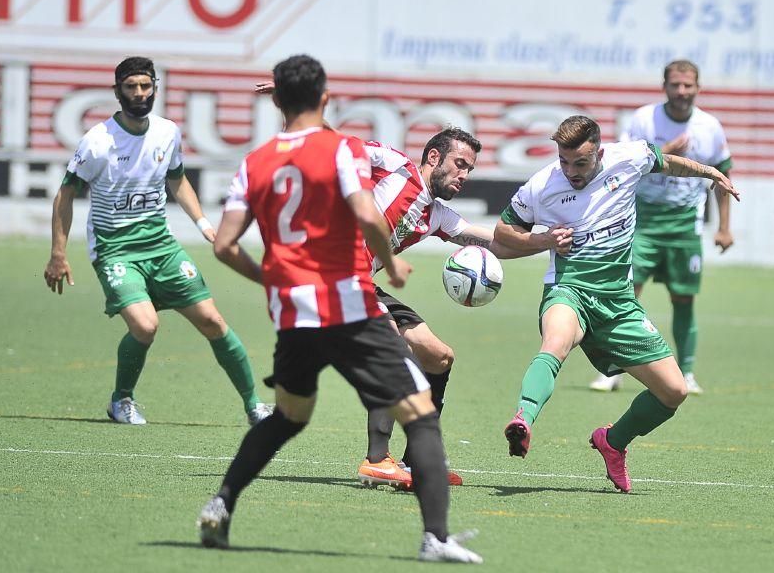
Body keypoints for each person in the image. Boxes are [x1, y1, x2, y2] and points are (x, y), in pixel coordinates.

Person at [196, 54, 481, 563]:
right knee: (419, 411)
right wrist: (390, 261)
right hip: (347, 302)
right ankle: (433, 536)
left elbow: (223, 245)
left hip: (293, 311)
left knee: (287, 416)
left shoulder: (254, 163)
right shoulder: (342, 150)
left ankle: (221, 502)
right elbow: (367, 211)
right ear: (324, 100)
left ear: (280, 101)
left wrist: (271, 277)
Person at [495, 115, 738, 493]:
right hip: (569, 288)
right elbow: (504, 232)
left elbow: (669, 162)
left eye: (581, 162)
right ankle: (523, 419)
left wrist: (709, 172)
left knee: (674, 391)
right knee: (555, 344)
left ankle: (613, 442)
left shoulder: (629, 157)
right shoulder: (542, 185)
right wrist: (544, 241)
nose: (571, 171)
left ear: (600, 152)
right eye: (564, 161)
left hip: (619, 302)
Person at [42, 56, 271, 426]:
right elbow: (65, 195)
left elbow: (177, 180)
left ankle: (255, 407)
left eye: (145, 86)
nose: (139, 93)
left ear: (155, 89)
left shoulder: (167, 132)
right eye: (130, 87)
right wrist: (58, 252)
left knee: (213, 320)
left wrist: (202, 224)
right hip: (115, 249)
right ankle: (122, 400)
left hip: (161, 246)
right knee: (146, 326)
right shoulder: (98, 142)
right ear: (117, 92)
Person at [355, 130, 534, 490]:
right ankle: (377, 460)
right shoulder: (394, 167)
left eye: (469, 169)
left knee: (438, 357)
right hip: (334, 276)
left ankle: (418, 459)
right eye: (459, 164)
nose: (464, 175)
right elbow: (331, 147)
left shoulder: (435, 215)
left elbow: (496, 243)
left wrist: (546, 242)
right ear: (434, 158)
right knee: (395, 348)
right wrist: (294, 104)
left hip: (362, 284)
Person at [589, 60, 733, 395]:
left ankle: (687, 373)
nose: (682, 92)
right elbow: (621, 162)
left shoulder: (710, 127)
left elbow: (724, 174)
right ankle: (613, 371)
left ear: (698, 88)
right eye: (675, 85)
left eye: (688, 85)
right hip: (643, 222)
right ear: (664, 86)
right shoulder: (644, 119)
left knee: (684, 298)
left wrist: (725, 227)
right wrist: (666, 152)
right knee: (625, 295)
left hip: (685, 225)